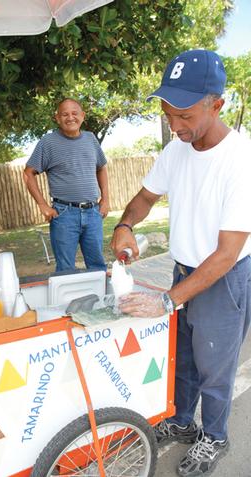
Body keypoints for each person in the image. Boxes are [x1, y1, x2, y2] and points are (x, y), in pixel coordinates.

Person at [111, 49, 251, 477]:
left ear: (216, 104)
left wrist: (168, 302)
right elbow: (145, 198)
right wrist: (125, 225)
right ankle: (183, 422)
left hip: (223, 277)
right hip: (184, 270)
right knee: (183, 359)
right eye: (168, 113)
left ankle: (216, 435)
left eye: (185, 115)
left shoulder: (241, 160)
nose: (175, 125)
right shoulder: (175, 150)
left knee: (214, 364)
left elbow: (227, 253)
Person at [24, 98, 109, 272]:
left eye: (74, 113)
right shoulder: (48, 143)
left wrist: (106, 200)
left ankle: (99, 300)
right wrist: (43, 205)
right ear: (57, 118)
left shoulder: (91, 139)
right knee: (65, 269)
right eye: (64, 114)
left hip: (93, 213)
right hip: (64, 215)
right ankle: (68, 300)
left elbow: (101, 168)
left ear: (82, 116)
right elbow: (28, 174)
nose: (70, 117)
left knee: (98, 267)